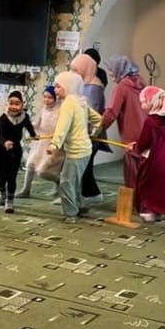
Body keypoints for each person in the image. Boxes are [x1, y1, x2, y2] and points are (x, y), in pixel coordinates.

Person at [48, 72, 102, 223]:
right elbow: (98, 119)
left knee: (66, 182)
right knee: (74, 181)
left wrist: (54, 144)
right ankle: (80, 206)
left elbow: (62, 126)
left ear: (68, 86)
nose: (55, 90)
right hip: (86, 149)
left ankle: (71, 214)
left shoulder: (68, 104)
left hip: (76, 151)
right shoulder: (81, 101)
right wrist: (94, 132)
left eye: (58, 86)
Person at [136, 86, 165, 232]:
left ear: (154, 102)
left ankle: (149, 212)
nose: (142, 105)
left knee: (148, 185)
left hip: (154, 161)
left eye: (145, 102)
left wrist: (135, 148)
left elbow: (144, 142)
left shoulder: (150, 121)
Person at [0, 90, 37, 214]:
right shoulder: (3, 118)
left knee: (12, 176)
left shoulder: (24, 117)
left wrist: (34, 135)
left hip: (15, 151)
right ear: (7, 104)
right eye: (11, 103)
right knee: (2, 176)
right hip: (1, 150)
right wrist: (5, 142)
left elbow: (29, 127)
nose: (13, 107)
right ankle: (3, 194)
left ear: (22, 104)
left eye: (17, 104)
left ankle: (10, 201)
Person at [101, 55, 147, 189]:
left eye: (111, 70)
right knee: (144, 171)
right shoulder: (142, 82)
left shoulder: (122, 87)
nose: (110, 74)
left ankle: (134, 197)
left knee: (132, 174)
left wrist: (99, 127)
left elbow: (111, 112)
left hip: (131, 133)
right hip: (146, 130)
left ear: (119, 69)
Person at [70, 53, 109, 204]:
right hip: (85, 134)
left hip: (90, 135)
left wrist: (86, 133)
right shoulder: (85, 84)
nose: (73, 73)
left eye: (76, 70)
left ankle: (86, 195)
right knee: (85, 167)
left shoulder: (93, 88)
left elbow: (91, 113)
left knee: (83, 166)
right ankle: (89, 194)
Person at [16, 85, 60, 199]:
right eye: (45, 97)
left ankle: (60, 182)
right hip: (41, 143)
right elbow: (36, 124)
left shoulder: (60, 111)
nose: (46, 100)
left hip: (53, 144)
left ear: (56, 98)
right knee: (30, 165)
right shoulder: (43, 110)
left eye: (50, 97)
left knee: (42, 171)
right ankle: (26, 190)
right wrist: (25, 123)